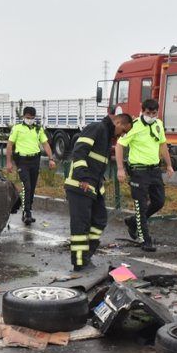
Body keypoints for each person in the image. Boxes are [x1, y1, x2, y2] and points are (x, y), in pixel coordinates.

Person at [64, 113, 133, 271]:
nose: (122, 135)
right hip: (79, 185)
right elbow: (79, 152)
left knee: (100, 219)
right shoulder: (97, 128)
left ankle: (87, 255)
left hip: (92, 187)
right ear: (117, 122)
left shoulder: (106, 136)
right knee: (80, 226)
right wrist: (83, 177)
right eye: (123, 130)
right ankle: (80, 263)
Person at [115, 99, 174, 252]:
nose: (151, 116)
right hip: (139, 172)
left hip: (154, 171)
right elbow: (120, 145)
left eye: (154, 113)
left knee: (159, 201)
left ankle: (133, 222)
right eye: (148, 113)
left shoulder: (158, 124)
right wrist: (120, 168)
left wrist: (169, 165)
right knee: (140, 206)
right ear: (143, 111)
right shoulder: (134, 126)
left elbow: (162, 145)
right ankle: (145, 240)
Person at [5, 106, 56, 225]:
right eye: (28, 118)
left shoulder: (38, 129)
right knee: (26, 186)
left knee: (32, 187)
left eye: (32, 118)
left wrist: (51, 158)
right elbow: (9, 145)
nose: (30, 120)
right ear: (23, 116)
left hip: (35, 160)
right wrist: (8, 162)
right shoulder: (17, 128)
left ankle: (28, 209)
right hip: (22, 160)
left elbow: (45, 144)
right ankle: (27, 213)